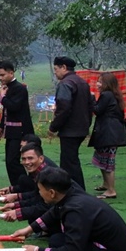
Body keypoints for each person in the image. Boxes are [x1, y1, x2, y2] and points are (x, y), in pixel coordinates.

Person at [48, 56, 93, 190]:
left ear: (64, 67)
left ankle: (76, 191)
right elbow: (90, 106)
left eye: (56, 69)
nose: (55, 72)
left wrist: (53, 127)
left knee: (69, 164)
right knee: (72, 161)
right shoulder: (82, 82)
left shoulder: (66, 84)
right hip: (82, 128)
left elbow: (63, 108)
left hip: (70, 130)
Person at [0, 60, 34, 185]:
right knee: (9, 162)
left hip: (20, 132)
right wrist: (1, 128)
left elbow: (14, 107)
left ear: (11, 73)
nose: (0, 78)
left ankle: (24, 186)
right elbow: (6, 111)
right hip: (10, 132)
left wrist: (3, 97)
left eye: (3, 75)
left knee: (14, 161)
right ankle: (16, 187)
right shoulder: (7, 88)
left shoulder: (19, 88)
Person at [88, 72, 126, 199]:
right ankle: (106, 184)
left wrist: (91, 98)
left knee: (108, 162)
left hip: (108, 133)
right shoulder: (115, 95)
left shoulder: (106, 95)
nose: (97, 84)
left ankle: (111, 190)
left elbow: (97, 110)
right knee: (103, 160)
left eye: (100, 82)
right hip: (113, 133)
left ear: (107, 84)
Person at [1, 143, 54, 224]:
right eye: (24, 159)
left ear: (41, 158)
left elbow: (44, 206)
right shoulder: (39, 171)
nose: (26, 162)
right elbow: (37, 196)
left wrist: (18, 213)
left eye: (30, 158)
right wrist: (15, 203)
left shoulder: (48, 176)